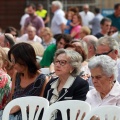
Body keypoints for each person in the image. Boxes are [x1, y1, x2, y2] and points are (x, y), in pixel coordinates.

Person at [43, 49, 89, 120]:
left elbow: (73, 113)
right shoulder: (51, 83)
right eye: (56, 61)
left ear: (72, 67)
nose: (57, 65)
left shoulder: (80, 84)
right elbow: (44, 105)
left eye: (62, 62)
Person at [8, 42, 49, 119]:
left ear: (24, 60)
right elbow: (11, 100)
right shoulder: (16, 75)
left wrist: (21, 106)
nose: (12, 64)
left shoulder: (42, 79)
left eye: (14, 61)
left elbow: (42, 107)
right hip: (12, 116)